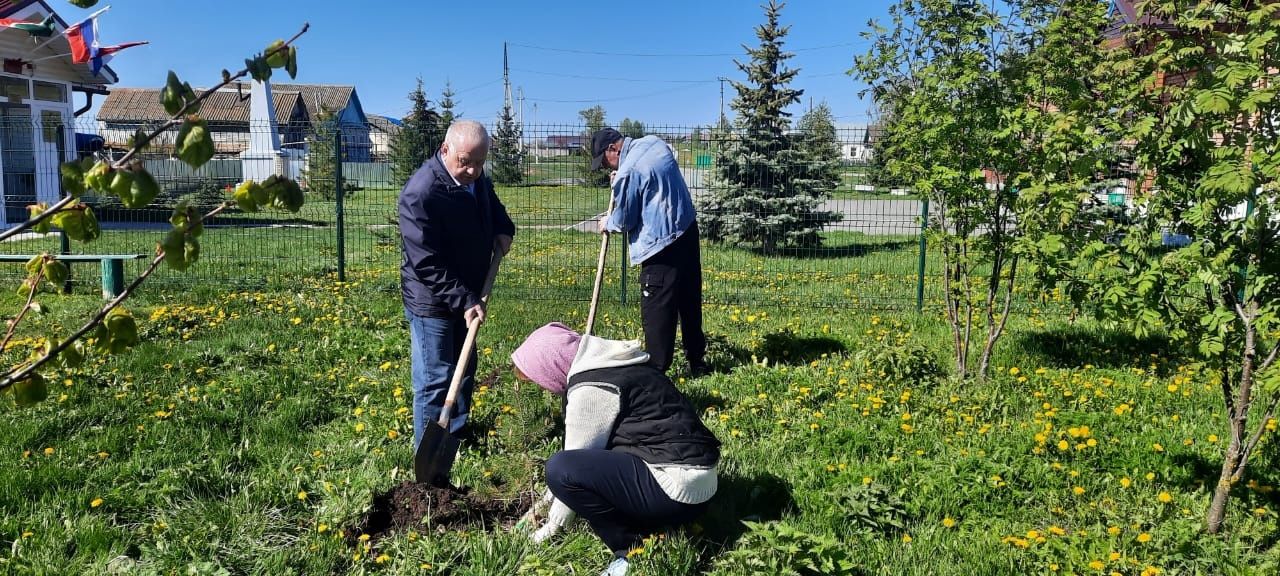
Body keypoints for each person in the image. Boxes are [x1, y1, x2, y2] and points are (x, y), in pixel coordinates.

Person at [512, 322, 720, 576]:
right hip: (702, 486)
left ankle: (631, 549)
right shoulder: (622, 362)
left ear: (551, 367)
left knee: (559, 468)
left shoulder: (592, 388)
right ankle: (661, 523)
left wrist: (548, 530)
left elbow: (571, 468)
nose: (545, 387)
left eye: (541, 379)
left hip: (675, 490)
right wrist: (539, 509)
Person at [399, 120, 514, 453]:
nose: (473, 170)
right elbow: (426, 262)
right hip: (432, 300)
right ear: (445, 149)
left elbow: (492, 206)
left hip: (468, 292)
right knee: (436, 378)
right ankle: (428, 451)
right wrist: (465, 300)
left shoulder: (476, 180)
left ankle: (455, 437)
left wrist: (504, 228)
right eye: (466, 161)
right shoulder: (421, 193)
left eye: (480, 162)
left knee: (465, 372)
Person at [590, 128, 708, 376]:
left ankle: (657, 371)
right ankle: (697, 361)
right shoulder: (654, 143)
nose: (603, 167)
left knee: (658, 310)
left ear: (613, 149)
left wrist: (607, 222)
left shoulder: (628, 172)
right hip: (686, 230)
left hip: (660, 247)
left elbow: (625, 220)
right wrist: (621, 179)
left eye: (603, 161)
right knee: (689, 301)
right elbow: (651, 180)